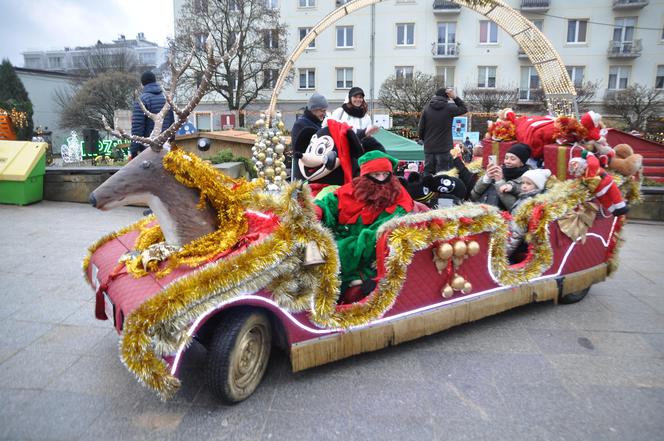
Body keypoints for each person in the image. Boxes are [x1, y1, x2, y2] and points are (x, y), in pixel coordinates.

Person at [315, 150, 414, 300]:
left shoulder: (398, 198)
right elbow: (328, 204)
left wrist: (337, 248)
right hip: (337, 241)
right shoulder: (352, 189)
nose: (381, 180)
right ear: (365, 176)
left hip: (365, 255)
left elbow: (376, 236)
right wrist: (316, 211)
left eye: (385, 174)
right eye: (376, 175)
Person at [418, 87, 467, 176]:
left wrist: (423, 139)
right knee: (443, 173)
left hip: (429, 147)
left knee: (428, 172)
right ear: (447, 96)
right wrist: (455, 97)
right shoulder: (449, 108)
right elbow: (464, 109)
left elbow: (421, 128)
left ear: (435, 96)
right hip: (444, 148)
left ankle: (427, 189)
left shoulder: (426, 109)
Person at [470, 143, 531, 210]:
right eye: (506, 158)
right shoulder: (498, 171)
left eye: (513, 159)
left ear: (522, 163)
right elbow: (473, 197)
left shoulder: (527, 180)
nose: (508, 161)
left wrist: (499, 183)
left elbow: (516, 209)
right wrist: (486, 179)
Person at [505, 168, 551, 258]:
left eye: (528, 184)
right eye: (523, 183)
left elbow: (517, 232)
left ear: (538, 186)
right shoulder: (525, 197)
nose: (524, 186)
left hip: (518, 245)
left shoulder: (528, 202)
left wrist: (504, 254)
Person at [130, 71, 175, 159]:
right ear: (155, 81)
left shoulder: (142, 100)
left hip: (148, 148)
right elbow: (172, 123)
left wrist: (134, 150)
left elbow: (137, 127)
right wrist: (171, 140)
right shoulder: (165, 99)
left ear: (142, 84)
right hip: (165, 146)